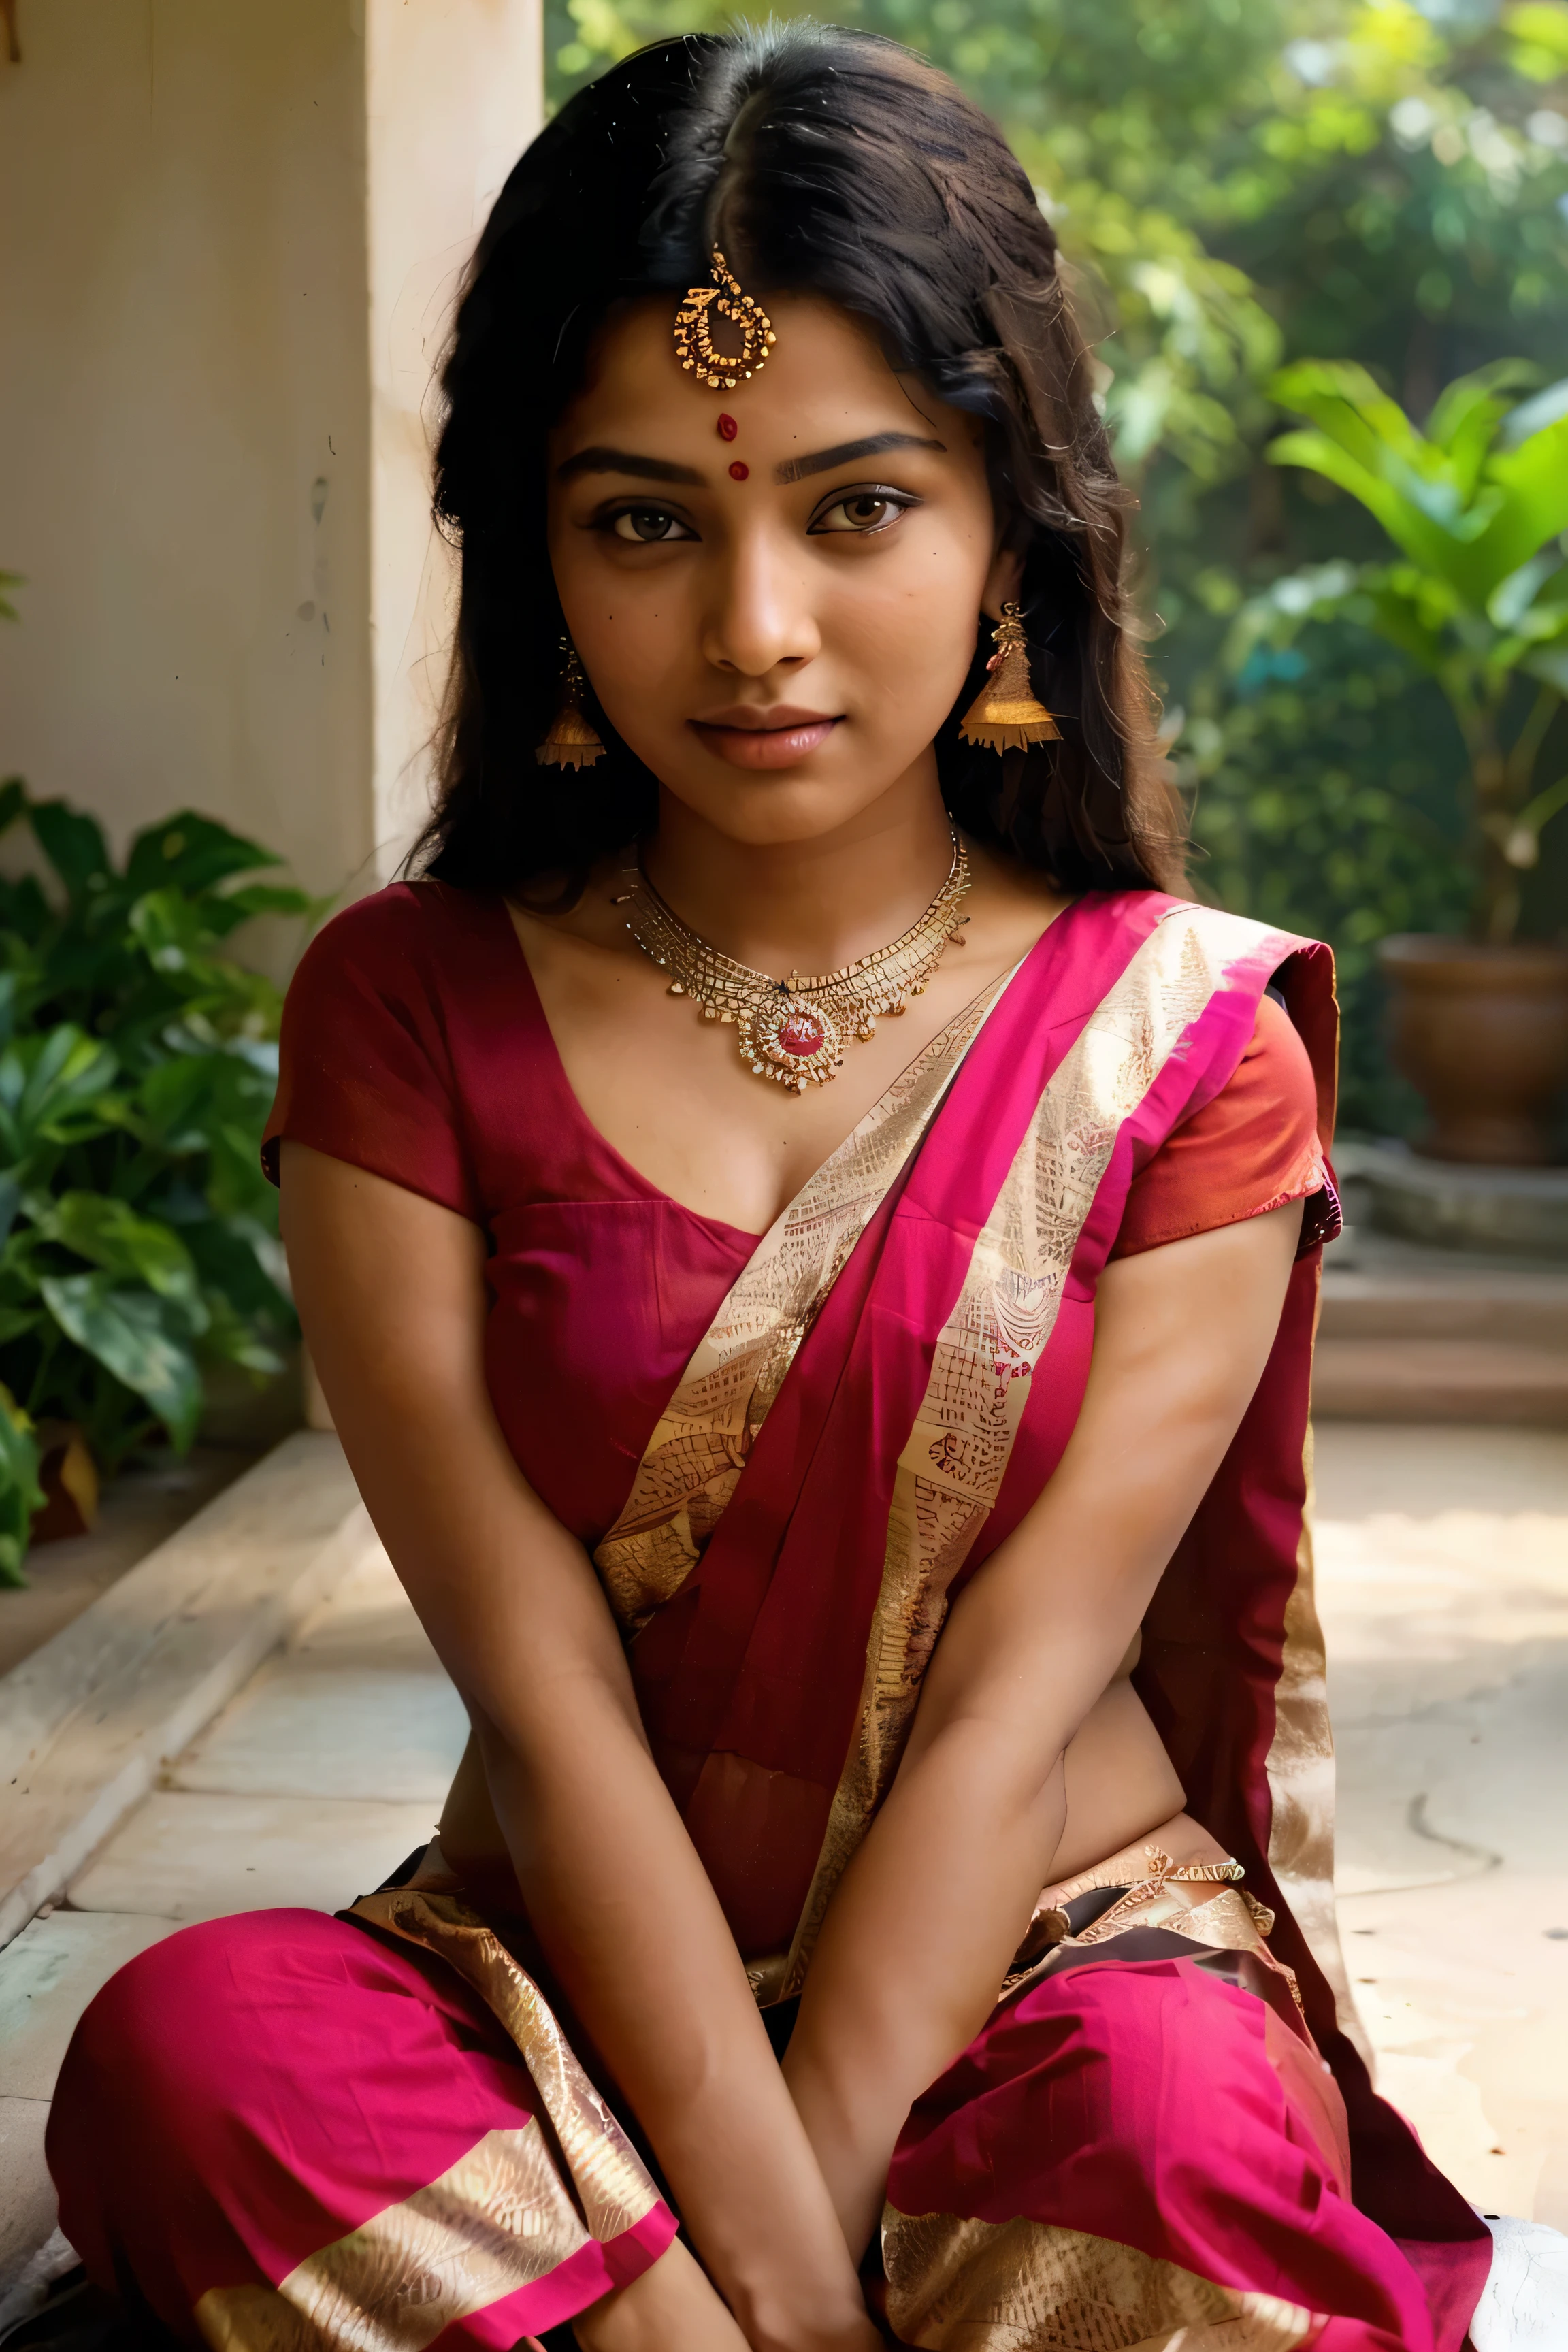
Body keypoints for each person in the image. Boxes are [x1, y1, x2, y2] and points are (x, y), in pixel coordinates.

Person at [48, 25, 1498, 2352]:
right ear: (533, 543)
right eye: (644, 519)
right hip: (557, 1981)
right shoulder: (407, 1009)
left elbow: (1022, 1691)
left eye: (855, 505)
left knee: (1164, 2148)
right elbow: (539, 1702)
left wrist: (764, 2282)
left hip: (1043, 1960)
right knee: (189, 2058)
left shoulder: (1187, 1042)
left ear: (1008, 513)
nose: (752, 630)